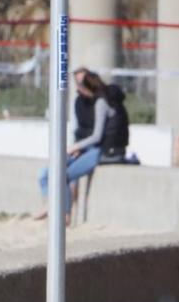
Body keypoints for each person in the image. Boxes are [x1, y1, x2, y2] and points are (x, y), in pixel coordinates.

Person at [36, 67, 131, 223]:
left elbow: (96, 136)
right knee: (48, 172)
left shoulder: (101, 102)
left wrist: (76, 147)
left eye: (80, 85)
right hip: (91, 148)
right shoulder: (84, 102)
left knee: (63, 176)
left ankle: (63, 214)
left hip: (105, 151)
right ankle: (53, 206)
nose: (78, 89)